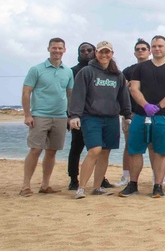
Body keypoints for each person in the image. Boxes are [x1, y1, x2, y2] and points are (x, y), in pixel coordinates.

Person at [67, 41, 131, 198]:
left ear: (112, 53)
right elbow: (78, 95)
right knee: (94, 150)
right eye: (101, 52)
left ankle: (97, 187)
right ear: (96, 53)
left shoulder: (118, 75)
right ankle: (81, 188)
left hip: (111, 118)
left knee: (105, 152)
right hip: (91, 117)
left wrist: (127, 115)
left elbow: (124, 97)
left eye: (107, 52)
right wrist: (74, 115)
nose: (104, 55)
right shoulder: (87, 72)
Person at [123, 35, 165, 198]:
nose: (157, 49)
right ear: (151, 49)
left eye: (160, 46)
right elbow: (134, 89)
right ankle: (133, 184)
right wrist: (145, 105)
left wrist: (158, 106)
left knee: (161, 152)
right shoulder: (141, 68)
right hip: (141, 115)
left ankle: (158, 185)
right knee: (135, 150)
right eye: (154, 46)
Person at [21, 38, 74, 196]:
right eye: (54, 48)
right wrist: (27, 114)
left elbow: (70, 95)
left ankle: (45, 185)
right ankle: (25, 186)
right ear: (48, 49)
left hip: (60, 117)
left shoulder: (68, 71)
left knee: (52, 151)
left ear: (64, 50)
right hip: (40, 115)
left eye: (59, 48)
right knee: (35, 150)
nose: (56, 51)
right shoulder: (36, 69)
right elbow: (26, 92)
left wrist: (70, 116)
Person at [119, 39, 151, 187]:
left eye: (143, 49)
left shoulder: (155, 68)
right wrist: (125, 112)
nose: (140, 51)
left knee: (154, 146)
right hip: (131, 113)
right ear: (134, 52)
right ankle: (126, 176)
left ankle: (158, 177)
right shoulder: (128, 71)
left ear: (149, 52)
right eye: (138, 49)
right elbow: (120, 92)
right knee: (129, 146)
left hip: (153, 114)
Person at [66, 41, 95, 191]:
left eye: (89, 50)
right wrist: (69, 116)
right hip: (78, 116)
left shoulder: (101, 70)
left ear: (94, 52)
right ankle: (73, 179)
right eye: (82, 50)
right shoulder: (72, 71)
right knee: (76, 149)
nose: (86, 52)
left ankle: (100, 179)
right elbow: (68, 95)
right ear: (78, 54)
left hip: (96, 116)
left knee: (97, 149)